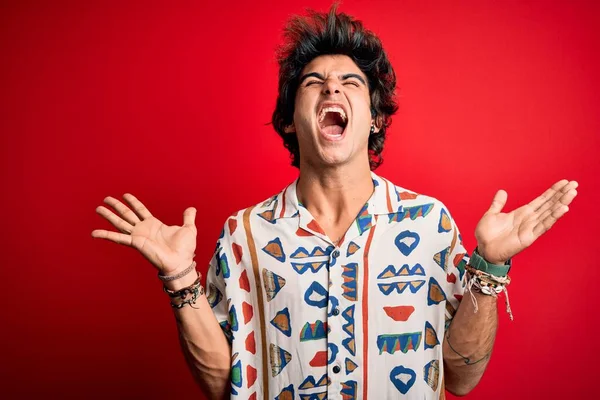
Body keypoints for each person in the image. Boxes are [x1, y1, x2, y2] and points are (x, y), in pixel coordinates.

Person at [92, 6, 578, 400]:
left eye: (351, 82)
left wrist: (490, 265)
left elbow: (462, 378)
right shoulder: (244, 235)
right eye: (313, 82)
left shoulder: (430, 224)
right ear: (289, 121)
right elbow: (225, 384)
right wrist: (180, 277)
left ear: (374, 119)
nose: (331, 87)